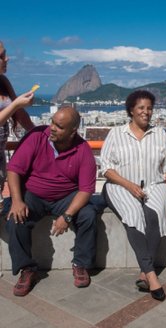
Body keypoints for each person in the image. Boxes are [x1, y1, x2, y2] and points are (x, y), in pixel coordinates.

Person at [5, 106, 98, 297]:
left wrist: (67, 215)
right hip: (33, 195)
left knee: (88, 215)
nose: (52, 128)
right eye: (53, 122)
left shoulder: (83, 149)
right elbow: (13, 169)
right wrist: (17, 200)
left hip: (65, 197)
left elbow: (86, 190)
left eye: (59, 126)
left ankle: (81, 264)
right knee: (14, 218)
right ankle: (27, 269)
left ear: (73, 131)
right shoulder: (37, 137)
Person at [100, 90, 166, 301]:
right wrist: (129, 185)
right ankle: (151, 275)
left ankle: (144, 270)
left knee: (154, 216)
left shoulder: (159, 134)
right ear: (131, 110)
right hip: (119, 185)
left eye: (149, 108)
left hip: (153, 185)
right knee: (134, 214)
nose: (146, 112)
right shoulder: (116, 133)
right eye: (141, 108)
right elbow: (106, 168)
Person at [0, 40, 36, 206]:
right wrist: (15, 105)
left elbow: (21, 115)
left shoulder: (3, 82)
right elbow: (16, 107)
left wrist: (40, 134)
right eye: (1, 56)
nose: (7, 59)